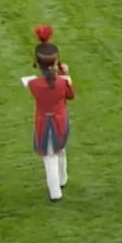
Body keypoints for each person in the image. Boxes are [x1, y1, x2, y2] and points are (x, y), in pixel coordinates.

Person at [26, 25, 74, 202]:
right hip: (60, 121)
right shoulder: (62, 82)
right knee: (60, 149)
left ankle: (55, 192)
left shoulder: (33, 84)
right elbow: (71, 95)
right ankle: (62, 179)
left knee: (49, 156)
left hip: (43, 123)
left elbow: (35, 82)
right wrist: (67, 75)